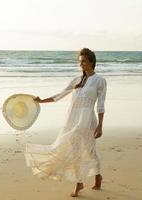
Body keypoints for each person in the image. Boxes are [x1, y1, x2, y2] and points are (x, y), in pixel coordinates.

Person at [24, 48, 107, 197]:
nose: (81, 64)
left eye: (84, 61)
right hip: (72, 118)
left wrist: (100, 125)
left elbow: (101, 105)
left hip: (87, 119)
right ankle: (79, 182)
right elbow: (60, 95)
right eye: (79, 61)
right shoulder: (76, 80)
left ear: (91, 62)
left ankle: (97, 175)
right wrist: (41, 101)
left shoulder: (100, 81)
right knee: (73, 149)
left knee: (90, 150)